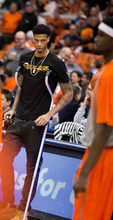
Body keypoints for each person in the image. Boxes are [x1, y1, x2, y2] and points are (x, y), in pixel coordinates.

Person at [0, 24, 73, 220]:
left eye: (42, 40)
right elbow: (21, 87)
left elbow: (69, 93)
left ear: (49, 40)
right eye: (36, 39)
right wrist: (13, 109)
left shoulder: (55, 62)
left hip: (37, 123)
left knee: (32, 168)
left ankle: (23, 210)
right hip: (19, 118)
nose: (38, 44)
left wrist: (49, 114)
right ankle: (8, 204)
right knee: (4, 159)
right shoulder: (25, 58)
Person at [73, 17, 113, 220]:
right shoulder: (105, 72)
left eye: (100, 36)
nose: (94, 39)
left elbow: (105, 128)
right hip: (104, 153)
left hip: (102, 155)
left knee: (87, 214)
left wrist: (85, 172)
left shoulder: (108, 76)